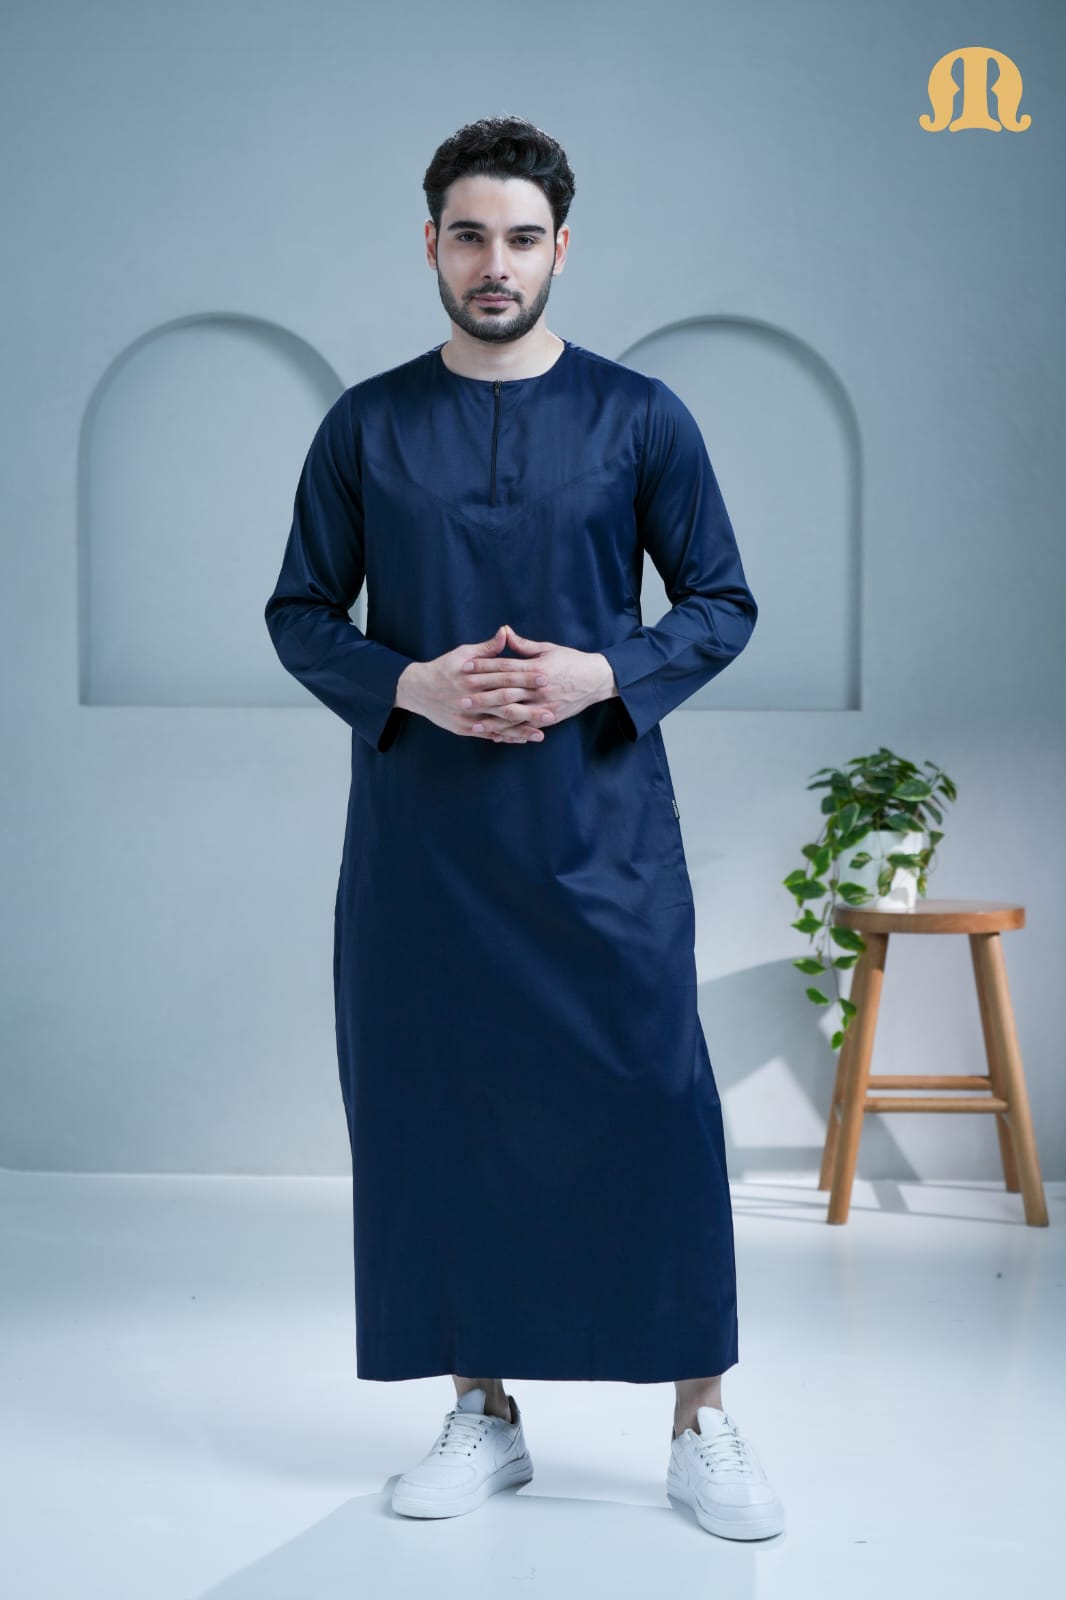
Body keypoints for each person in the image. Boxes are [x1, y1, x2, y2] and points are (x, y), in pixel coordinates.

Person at [265, 115, 784, 1542]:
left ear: (563, 249)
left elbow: (721, 602)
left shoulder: (641, 416)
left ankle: (700, 1419)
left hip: (599, 827)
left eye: (521, 238)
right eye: (470, 236)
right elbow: (300, 611)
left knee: (655, 1103)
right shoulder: (365, 425)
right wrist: (411, 684)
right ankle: (480, 1410)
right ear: (430, 246)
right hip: (425, 844)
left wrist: (603, 672)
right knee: (442, 1111)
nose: (495, 263)